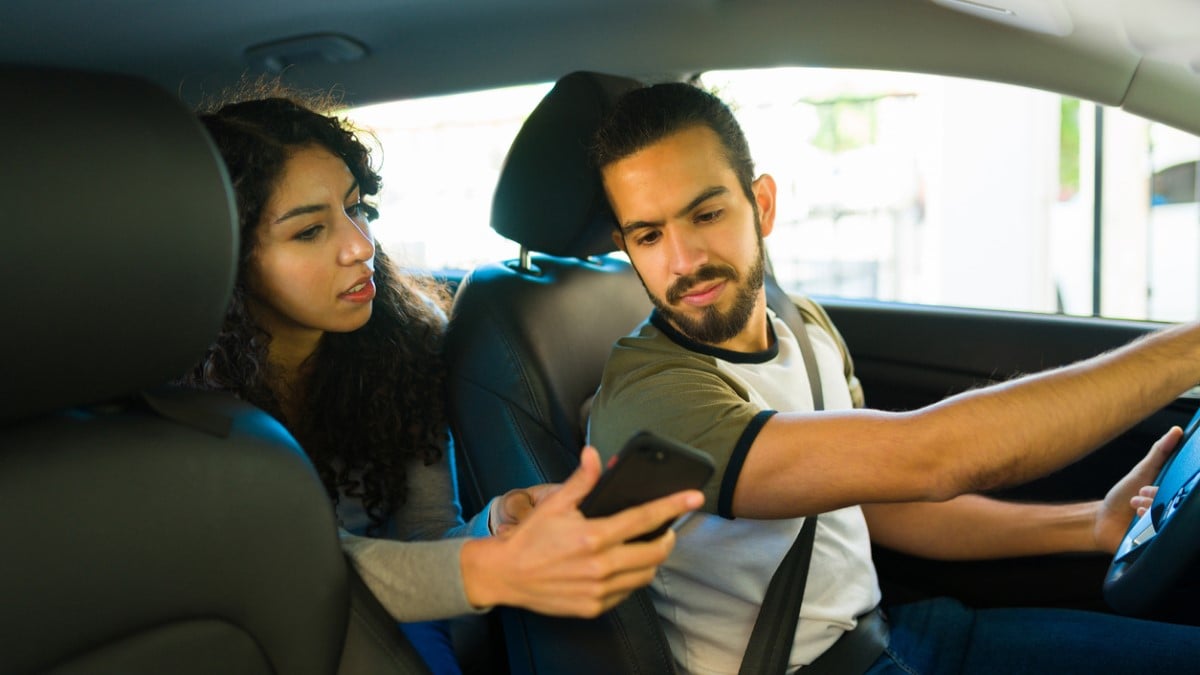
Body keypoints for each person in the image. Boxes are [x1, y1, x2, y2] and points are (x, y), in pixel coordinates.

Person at [586, 80, 1200, 674]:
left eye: (707, 213)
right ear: (626, 246)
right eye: (649, 235)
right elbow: (932, 457)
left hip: (897, 634)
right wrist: (1187, 353)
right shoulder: (651, 397)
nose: (684, 260)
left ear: (762, 204)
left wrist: (1090, 525)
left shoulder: (803, 324)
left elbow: (881, 504)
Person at [178, 83, 703, 674]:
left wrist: (499, 522)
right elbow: (275, 573)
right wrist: (498, 571)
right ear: (227, 254)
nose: (359, 247)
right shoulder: (180, 395)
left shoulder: (405, 341)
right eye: (308, 232)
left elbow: (426, 538)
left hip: (395, 627)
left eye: (356, 209)